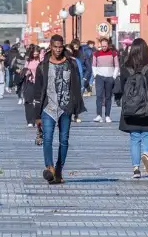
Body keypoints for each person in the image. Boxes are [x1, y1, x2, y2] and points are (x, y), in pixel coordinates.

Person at [34, 34, 87, 185]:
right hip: (48, 107)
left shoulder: (71, 64)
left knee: (64, 140)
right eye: (55, 47)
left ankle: (58, 170)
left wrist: (76, 106)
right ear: (50, 47)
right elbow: (38, 91)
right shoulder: (43, 65)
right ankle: (49, 168)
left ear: (63, 47)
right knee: (48, 138)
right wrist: (36, 115)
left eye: (60, 47)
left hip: (65, 107)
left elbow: (76, 86)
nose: (58, 49)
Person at [117, 39, 148, 179]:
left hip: (130, 109)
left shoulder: (125, 68)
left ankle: (136, 168)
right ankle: (146, 154)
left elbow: (121, 87)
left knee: (135, 137)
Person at [91, 38, 119, 123]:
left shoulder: (113, 53)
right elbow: (93, 65)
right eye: (102, 46)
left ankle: (107, 116)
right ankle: (99, 115)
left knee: (108, 97)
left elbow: (117, 65)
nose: (104, 47)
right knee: (99, 96)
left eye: (105, 46)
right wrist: (96, 75)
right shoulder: (96, 54)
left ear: (108, 45)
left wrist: (113, 76)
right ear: (100, 45)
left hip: (109, 77)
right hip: (99, 77)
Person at [20, 45, 42, 127]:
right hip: (29, 82)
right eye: (34, 54)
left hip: (40, 83)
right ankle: (30, 120)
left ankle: (38, 119)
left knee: (38, 102)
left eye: (37, 54)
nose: (35, 55)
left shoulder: (41, 60)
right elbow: (24, 70)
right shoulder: (28, 61)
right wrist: (27, 72)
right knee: (28, 101)